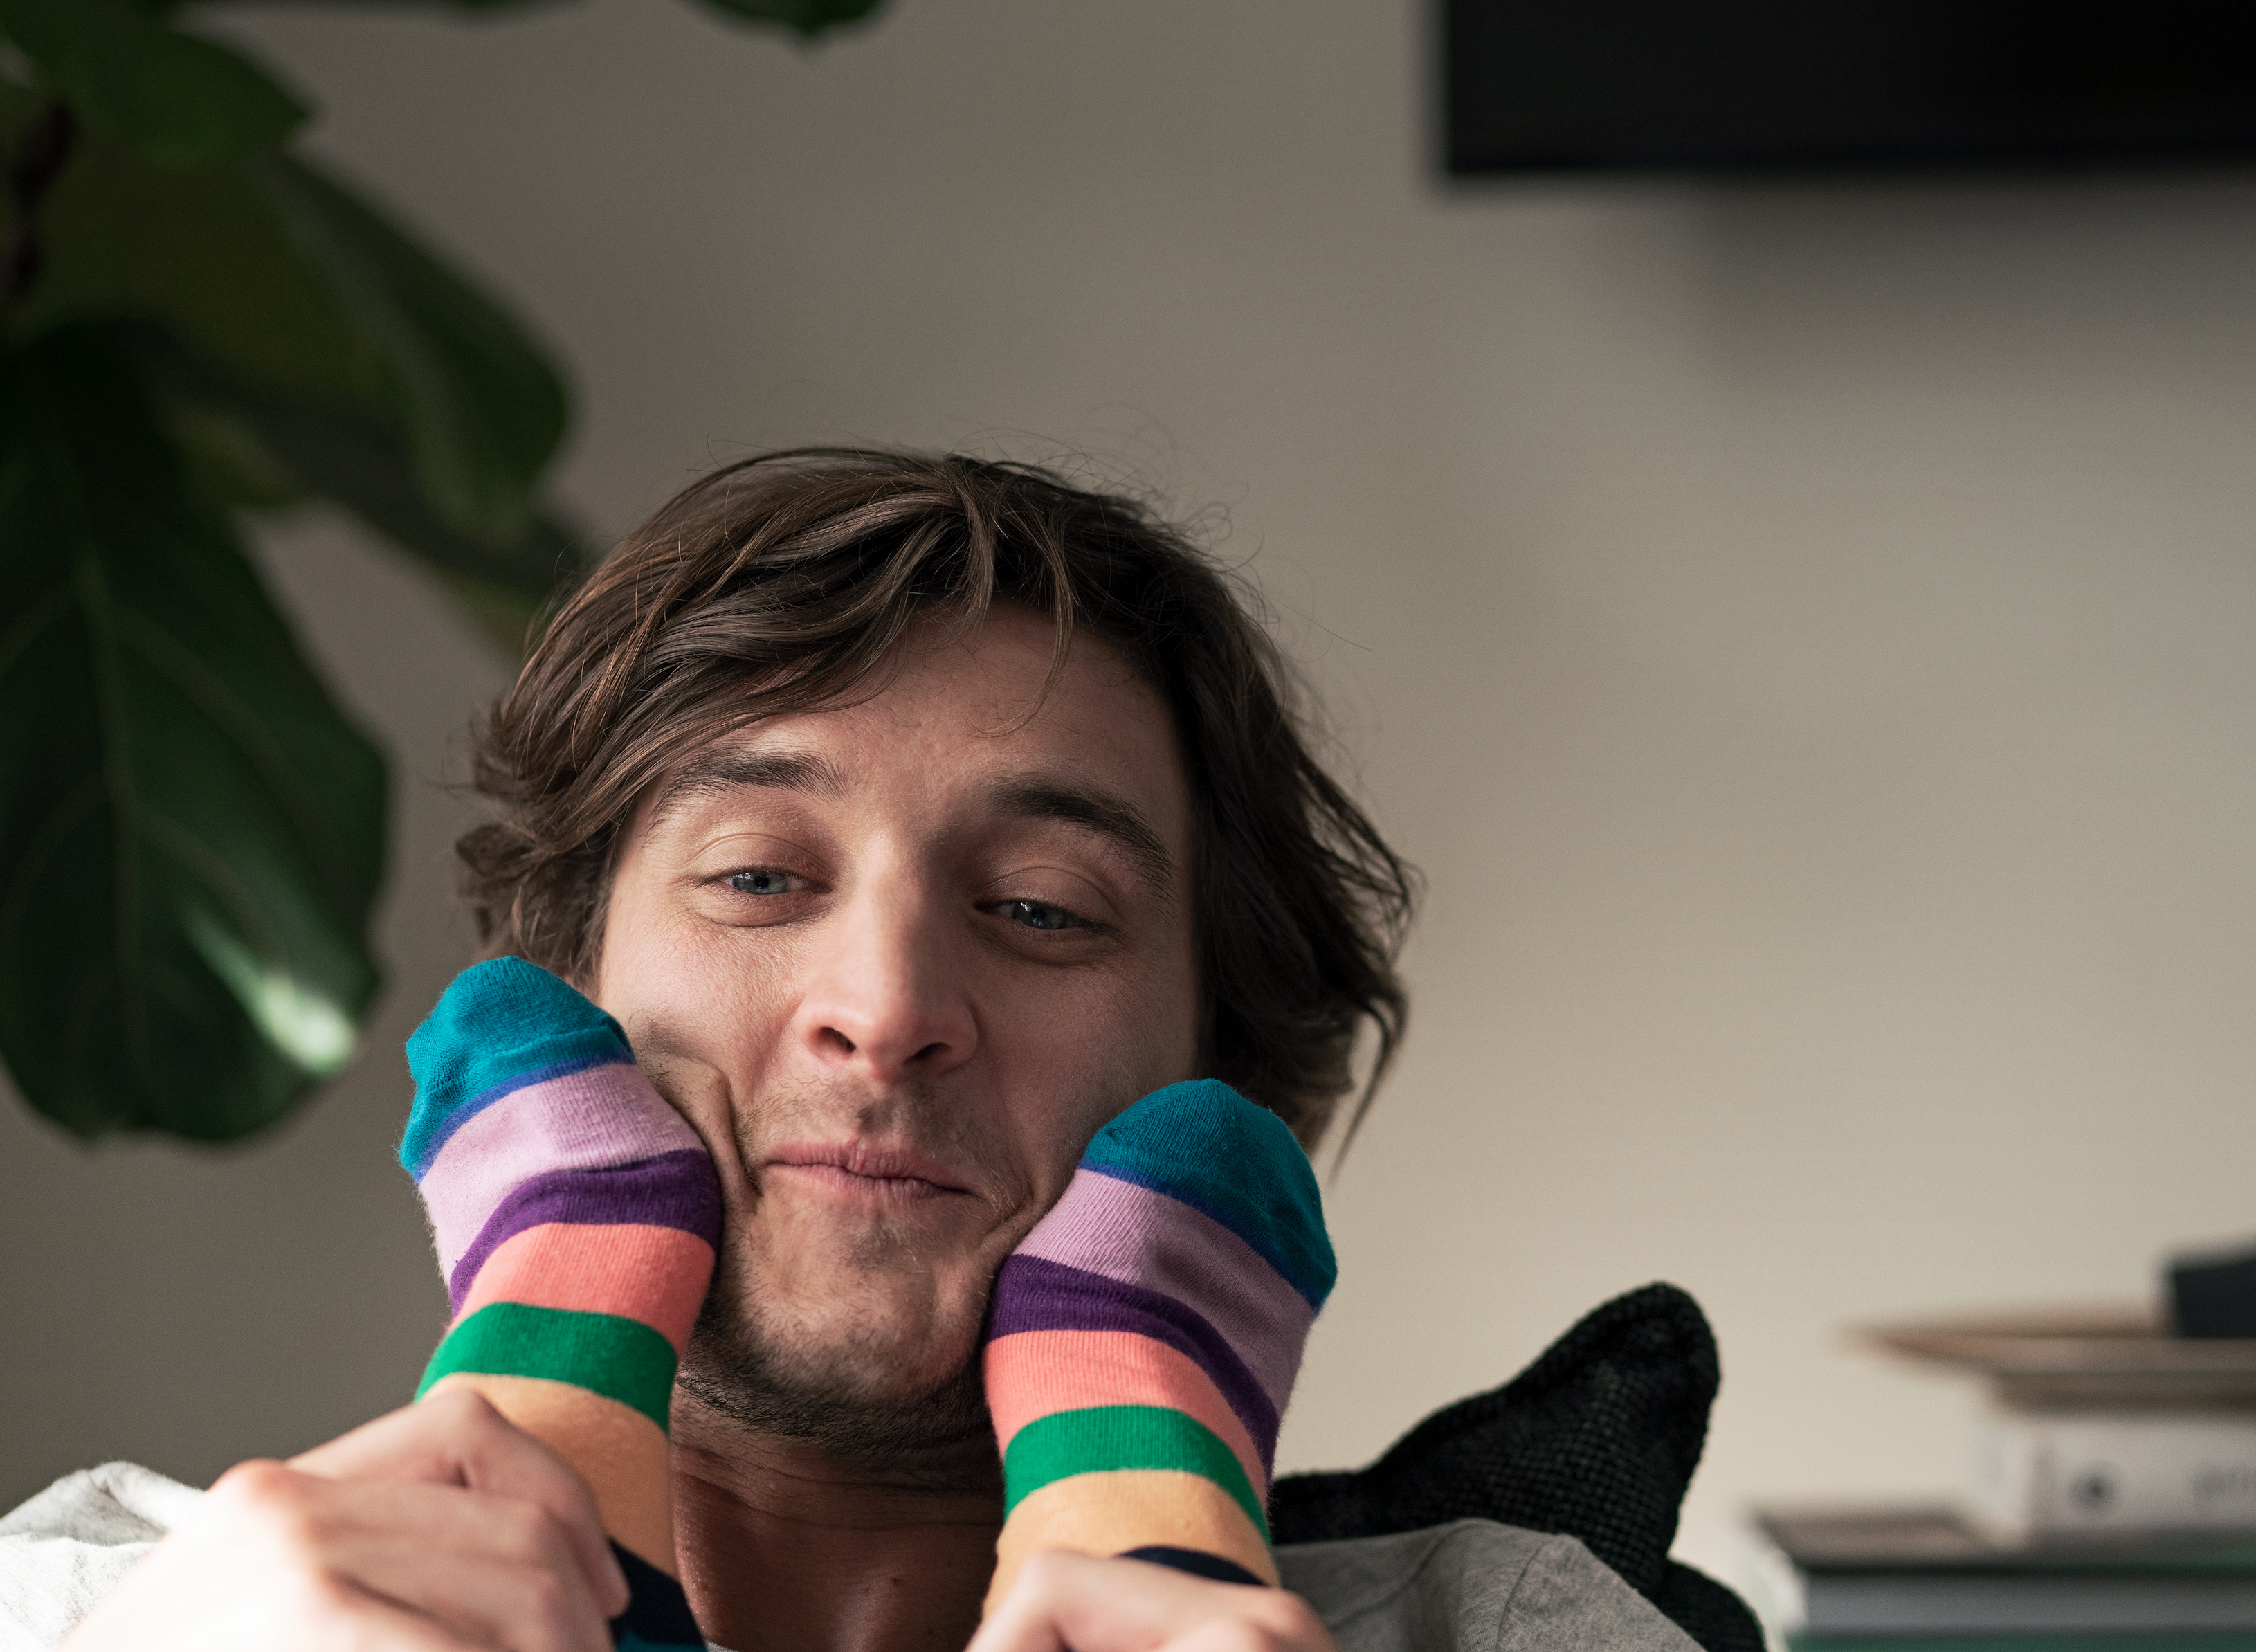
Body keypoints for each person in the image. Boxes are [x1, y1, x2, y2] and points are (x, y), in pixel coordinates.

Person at [2, 450, 1703, 1652]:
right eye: (756, 877)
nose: (884, 1009)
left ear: (1227, 1067)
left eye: (1041, 908)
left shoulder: (1516, 1633)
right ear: (571, 1003)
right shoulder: (110, 1606)